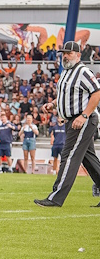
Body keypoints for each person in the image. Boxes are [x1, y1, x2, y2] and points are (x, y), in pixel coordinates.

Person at [35, 41, 100, 207]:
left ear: (78, 55)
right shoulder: (66, 72)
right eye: (63, 52)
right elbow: (67, 95)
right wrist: (54, 104)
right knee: (88, 159)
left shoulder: (83, 71)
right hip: (72, 120)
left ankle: (55, 197)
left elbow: (97, 93)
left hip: (81, 120)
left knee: (69, 156)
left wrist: (84, 115)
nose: (65, 56)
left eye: (69, 53)